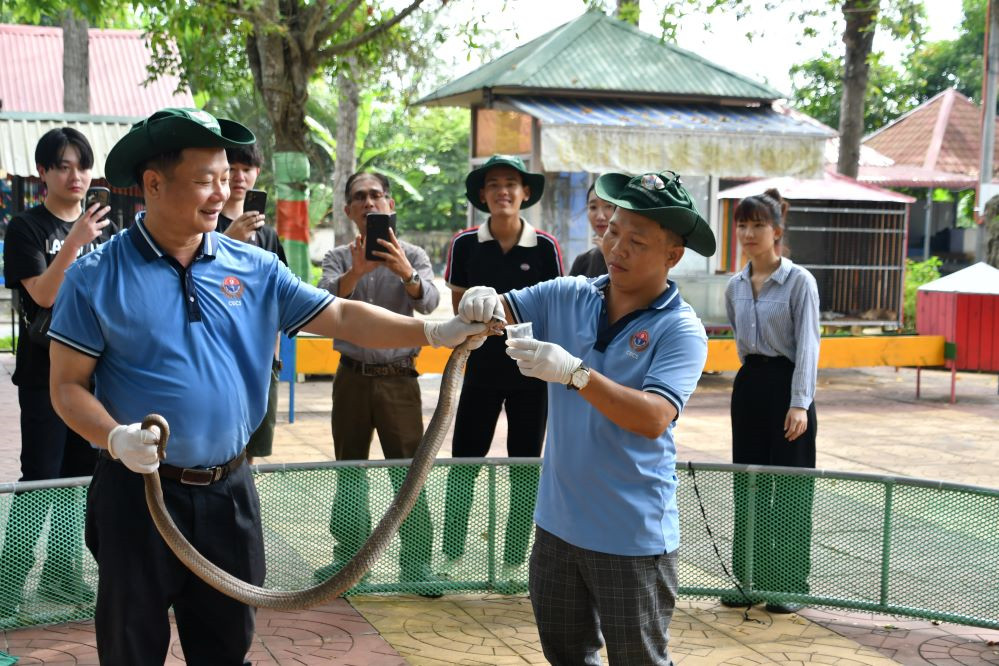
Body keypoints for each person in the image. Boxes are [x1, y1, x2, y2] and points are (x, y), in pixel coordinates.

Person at [46, 107, 486, 665]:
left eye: (225, 178)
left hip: (229, 492)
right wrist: (115, 438)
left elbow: (341, 316)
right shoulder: (94, 276)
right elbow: (67, 387)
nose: (221, 193)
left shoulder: (254, 267)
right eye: (205, 181)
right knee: (131, 647)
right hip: (138, 495)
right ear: (153, 184)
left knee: (228, 646)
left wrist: (435, 331)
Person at [456, 170, 715, 665]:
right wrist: (482, 300)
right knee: (566, 655)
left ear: (673, 255)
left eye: (637, 241)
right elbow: (502, 310)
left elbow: (654, 416)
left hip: (631, 536)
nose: (616, 247)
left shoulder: (681, 330)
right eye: (613, 231)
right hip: (556, 527)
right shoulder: (570, 295)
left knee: (638, 659)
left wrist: (576, 374)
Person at [0, 127, 113, 617]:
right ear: (42, 172)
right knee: (40, 477)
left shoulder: (108, 228)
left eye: (82, 166)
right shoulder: (25, 228)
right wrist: (74, 242)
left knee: (81, 478)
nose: (75, 176)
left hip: (95, 376)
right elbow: (43, 294)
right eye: (63, 166)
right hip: (43, 374)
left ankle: (62, 574)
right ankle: (9, 584)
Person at [315, 171, 441, 593]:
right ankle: (350, 562)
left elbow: (429, 303)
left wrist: (405, 272)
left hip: (399, 380)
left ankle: (417, 565)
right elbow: (323, 304)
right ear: (348, 210)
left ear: (390, 204)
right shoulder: (337, 258)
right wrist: (355, 273)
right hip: (351, 378)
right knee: (350, 468)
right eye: (359, 197)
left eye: (376, 195)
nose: (368, 202)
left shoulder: (413, 254)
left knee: (408, 472)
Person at [441, 154, 562, 583]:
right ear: (482, 195)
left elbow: (555, 307)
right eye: (493, 184)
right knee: (464, 463)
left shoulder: (545, 246)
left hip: (531, 374)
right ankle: (450, 558)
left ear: (525, 192)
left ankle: (514, 562)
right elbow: (459, 307)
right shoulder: (464, 244)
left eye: (511, 183)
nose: (503, 191)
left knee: (524, 468)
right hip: (479, 371)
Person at [722, 188, 820, 615]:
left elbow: (809, 346)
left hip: (789, 388)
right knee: (749, 485)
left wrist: (799, 402)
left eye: (758, 225)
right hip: (750, 387)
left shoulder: (800, 282)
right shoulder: (735, 286)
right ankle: (748, 580)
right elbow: (742, 344)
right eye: (742, 225)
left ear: (777, 231)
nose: (748, 233)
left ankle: (790, 584)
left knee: (792, 490)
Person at [218, 141, 287, 464]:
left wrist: (274, 356)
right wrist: (227, 240)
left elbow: (280, 295)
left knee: (253, 450)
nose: (239, 177)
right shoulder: (206, 226)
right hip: (218, 352)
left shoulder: (268, 235)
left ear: (257, 173)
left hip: (260, 356)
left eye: (246, 169)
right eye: (231, 169)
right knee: (220, 444)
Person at [568, 182, 614, 277]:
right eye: (593, 207)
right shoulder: (582, 262)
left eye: (608, 206)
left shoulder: (635, 258)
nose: (600, 216)